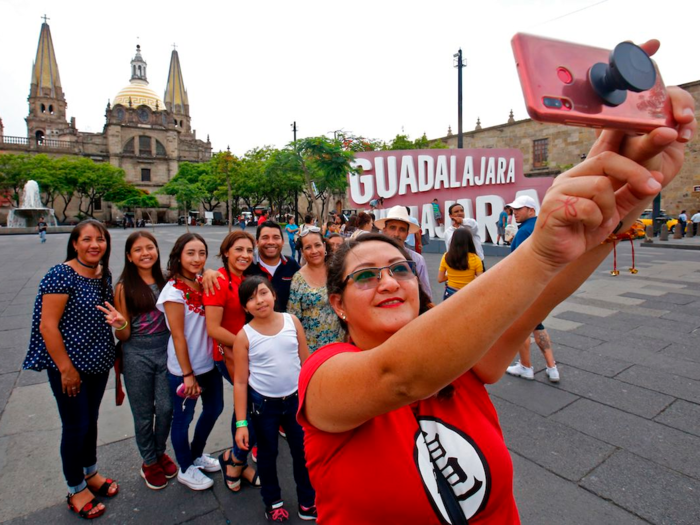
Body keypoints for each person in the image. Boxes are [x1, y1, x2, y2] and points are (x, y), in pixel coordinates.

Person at [295, 81, 696, 523]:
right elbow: (399, 376)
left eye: (400, 269)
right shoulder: (322, 376)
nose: (388, 281)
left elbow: (538, 300)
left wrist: (620, 206)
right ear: (338, 303)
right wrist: (540, 249)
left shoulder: (463, 364)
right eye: (366, 276)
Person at [24, 220, 120, 519]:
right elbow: (47, 326)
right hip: (70, 366)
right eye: (87, 239)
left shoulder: (102, 274)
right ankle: (76, 487)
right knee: (75, 425)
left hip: (97, 363)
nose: (95, 245)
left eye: (100, 239)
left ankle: (90, 472)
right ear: (75, 243)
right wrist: (66, 369)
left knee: (90, 420)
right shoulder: (60, 275)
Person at [233, 277, 316, 522]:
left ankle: (307, 501)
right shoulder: (244, 336)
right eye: (250, 298)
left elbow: (306, 361)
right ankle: (273, 502)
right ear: (244, 307)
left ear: (273, 294)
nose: (258, 301)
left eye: (262, 293)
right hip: (263, 406)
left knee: (303, 452)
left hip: (295, 401)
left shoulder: (292, 322)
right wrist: (241, 424)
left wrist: (312, 399)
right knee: (268, 455)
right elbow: (240, 381)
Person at [157, 233, 223, 491]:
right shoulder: (173, 291)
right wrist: (187, 374)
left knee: (215, 408)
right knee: (183, 419)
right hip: (185, 369)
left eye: (202, 253)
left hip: (209, 364)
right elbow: (178, 336)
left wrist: (209, 271)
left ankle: (196, 454)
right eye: (190, 253)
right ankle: (185, 467)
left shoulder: (203, 281)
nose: (197, 259)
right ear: (179, 256)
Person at [113, 231, 176, 490]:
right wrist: (120, 323)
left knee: (165, 408)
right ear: (129, 256)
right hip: (136, 354)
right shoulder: (123, 287)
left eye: (150, 247)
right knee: (142, 413)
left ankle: (160, 451)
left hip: (166, 350)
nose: (145, 253)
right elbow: (124, 334)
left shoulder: (167, 280)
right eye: (138, 249)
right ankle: (149, 460)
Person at [202, 231, 261, 492]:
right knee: (249, 408)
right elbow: (213, 328)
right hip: (229, 355)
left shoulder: (245, 279)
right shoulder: (218, 281)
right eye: (239, 250)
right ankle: (236, 461)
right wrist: (244, 344)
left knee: (250, 408)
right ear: (226, 251)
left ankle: (235, 458)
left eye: (249, 250)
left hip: (247, 355)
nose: (245, 255)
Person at [504, 195, 560, 382]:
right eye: (514, 209)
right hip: (542, 285)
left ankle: (526, 367)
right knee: (538, 325)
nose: (515, 212)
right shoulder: (541, 226)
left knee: (520, 327)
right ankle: (552, 367)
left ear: (531, 210)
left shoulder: (524, 231)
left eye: (519, 209)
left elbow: (520, 263)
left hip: (525, 287)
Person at [288, 228, 343, 353]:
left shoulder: (337, 272)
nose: (314, 251)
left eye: (317, 245)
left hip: (340, 344)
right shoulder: (298, 279)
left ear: (324, 246)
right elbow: (294, 319)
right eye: (308, 247)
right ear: (302, 251)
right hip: (311, 349)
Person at [374, 205, 432, 299]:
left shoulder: (417, 260)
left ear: (407, 234)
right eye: (392, 228)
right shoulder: (372, 256)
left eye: (402, 229)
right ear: (384, 230)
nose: (397, 234)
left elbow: (425, 293)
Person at [246, 221, 300, 312]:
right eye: (265, 237)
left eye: (276, 237)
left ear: (282, 242)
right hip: (254, 324)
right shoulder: (248, 265)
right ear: (257, 242)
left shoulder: (291, 264)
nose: (271, 242)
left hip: (285, 323)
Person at [438, 228, 484, 300]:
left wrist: (450, 275)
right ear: (469, 241)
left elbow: (440, 279)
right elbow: (481, 281)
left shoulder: (446, 257)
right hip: (468, 294)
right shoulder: (476, 259)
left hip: (450, 293)